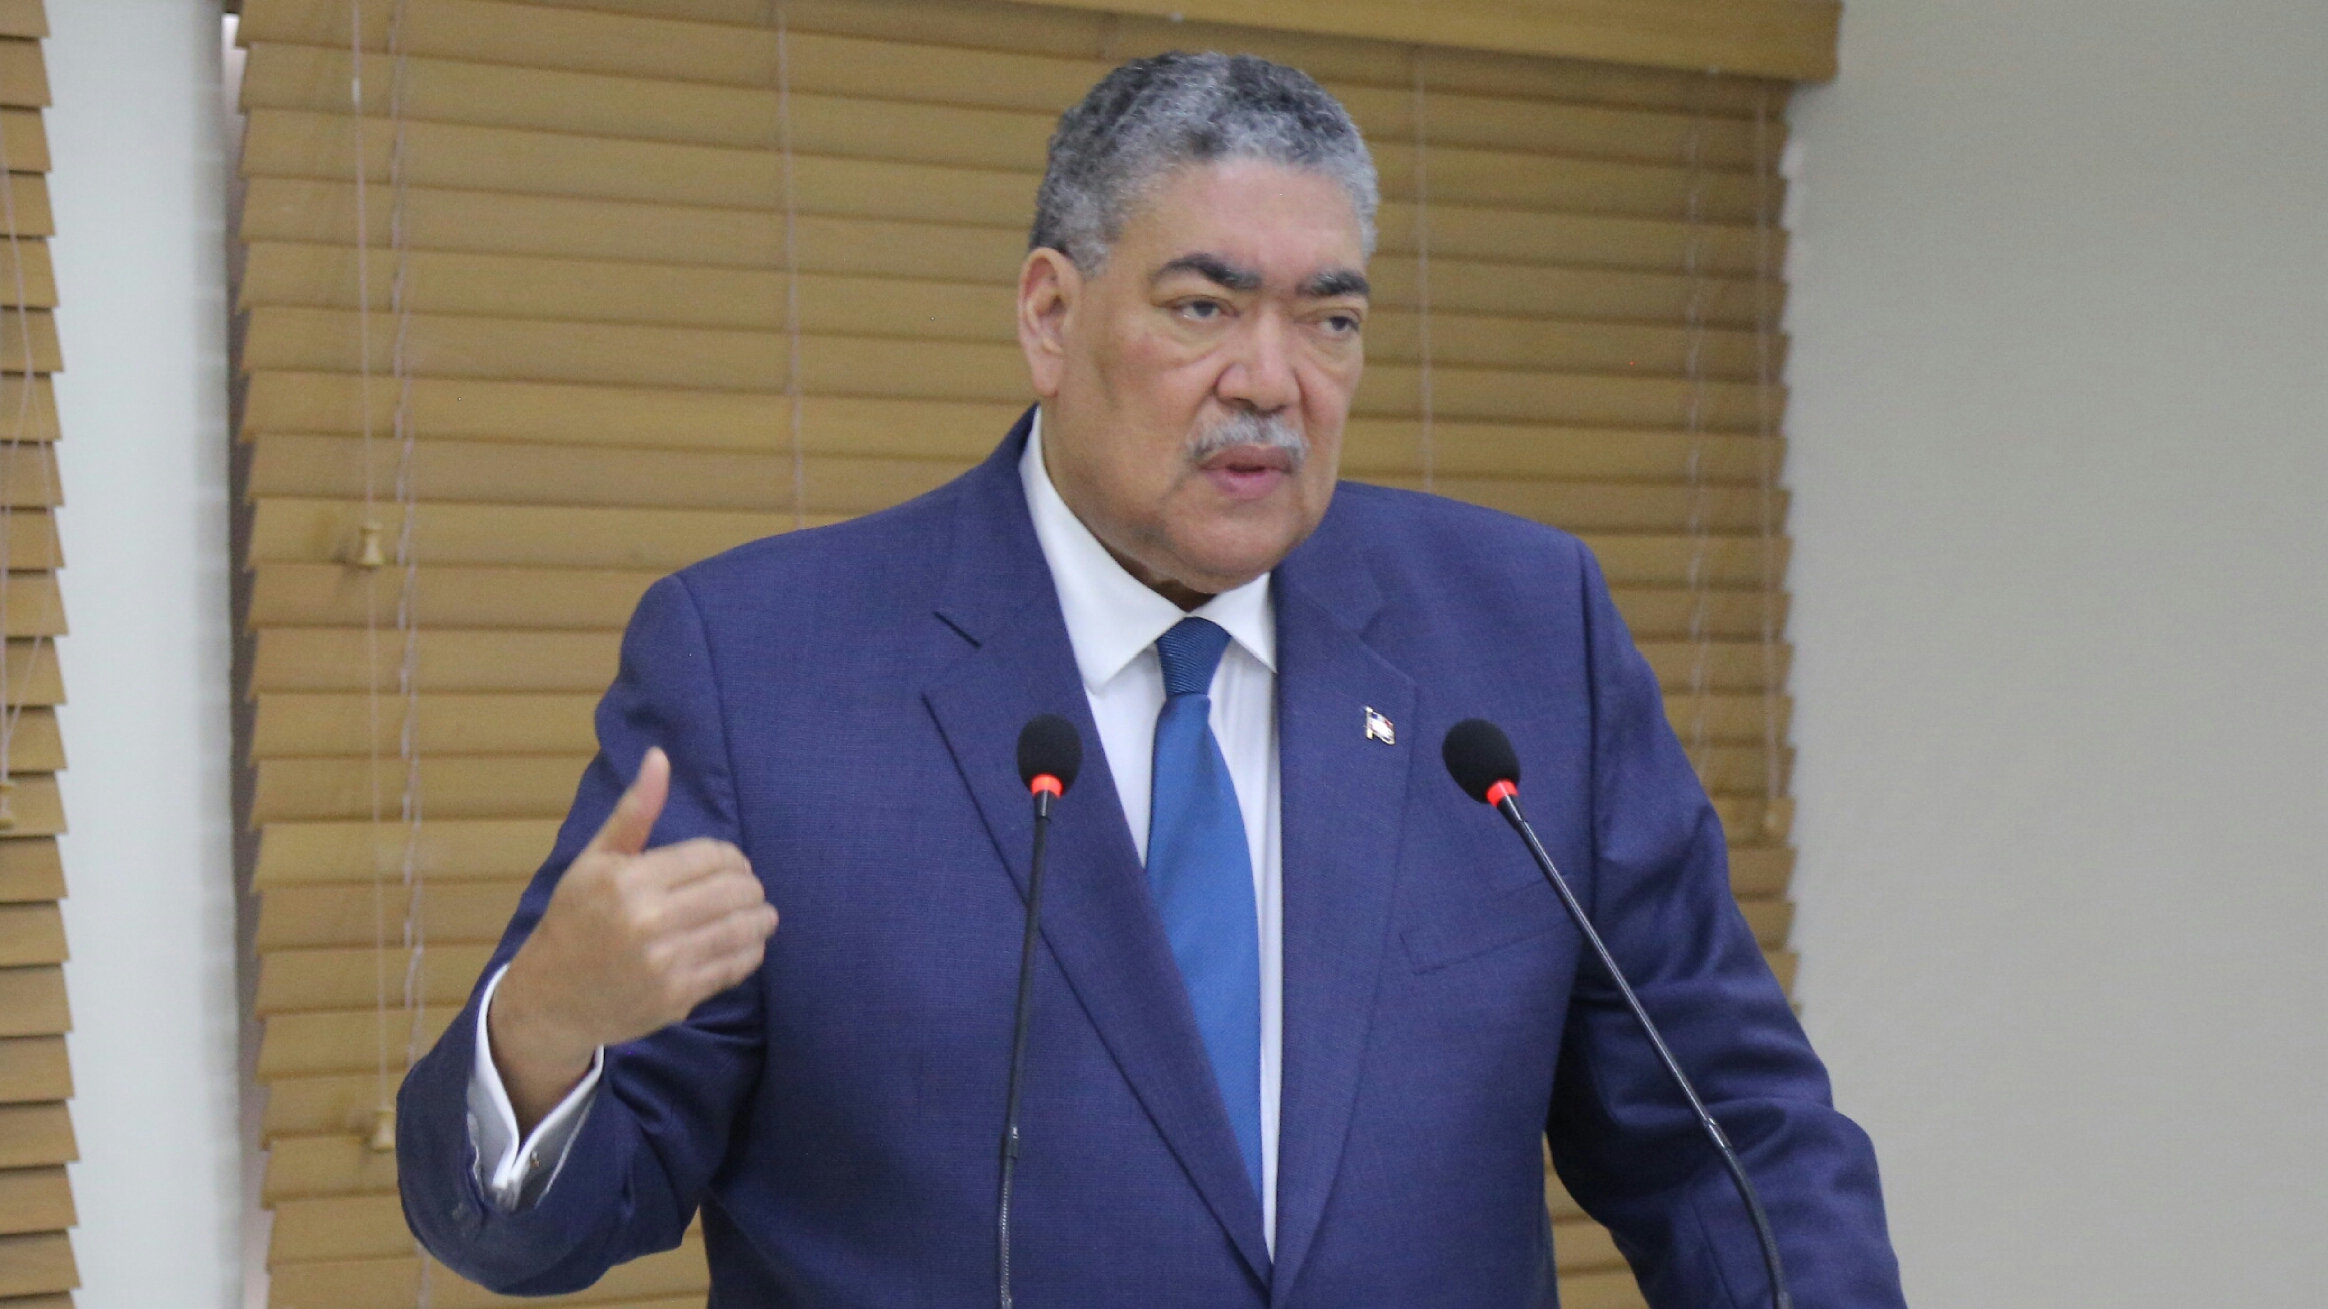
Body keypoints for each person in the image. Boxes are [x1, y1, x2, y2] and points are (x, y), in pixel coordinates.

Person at [397, 52, 1905, 1307]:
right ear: (1051, 317)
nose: (1273, 379)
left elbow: (1730, 1137)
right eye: (1204, 307)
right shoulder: (768, 665)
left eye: (1330, 319)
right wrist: (545, 1031)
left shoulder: (1517, 635)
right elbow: (543, 1225)